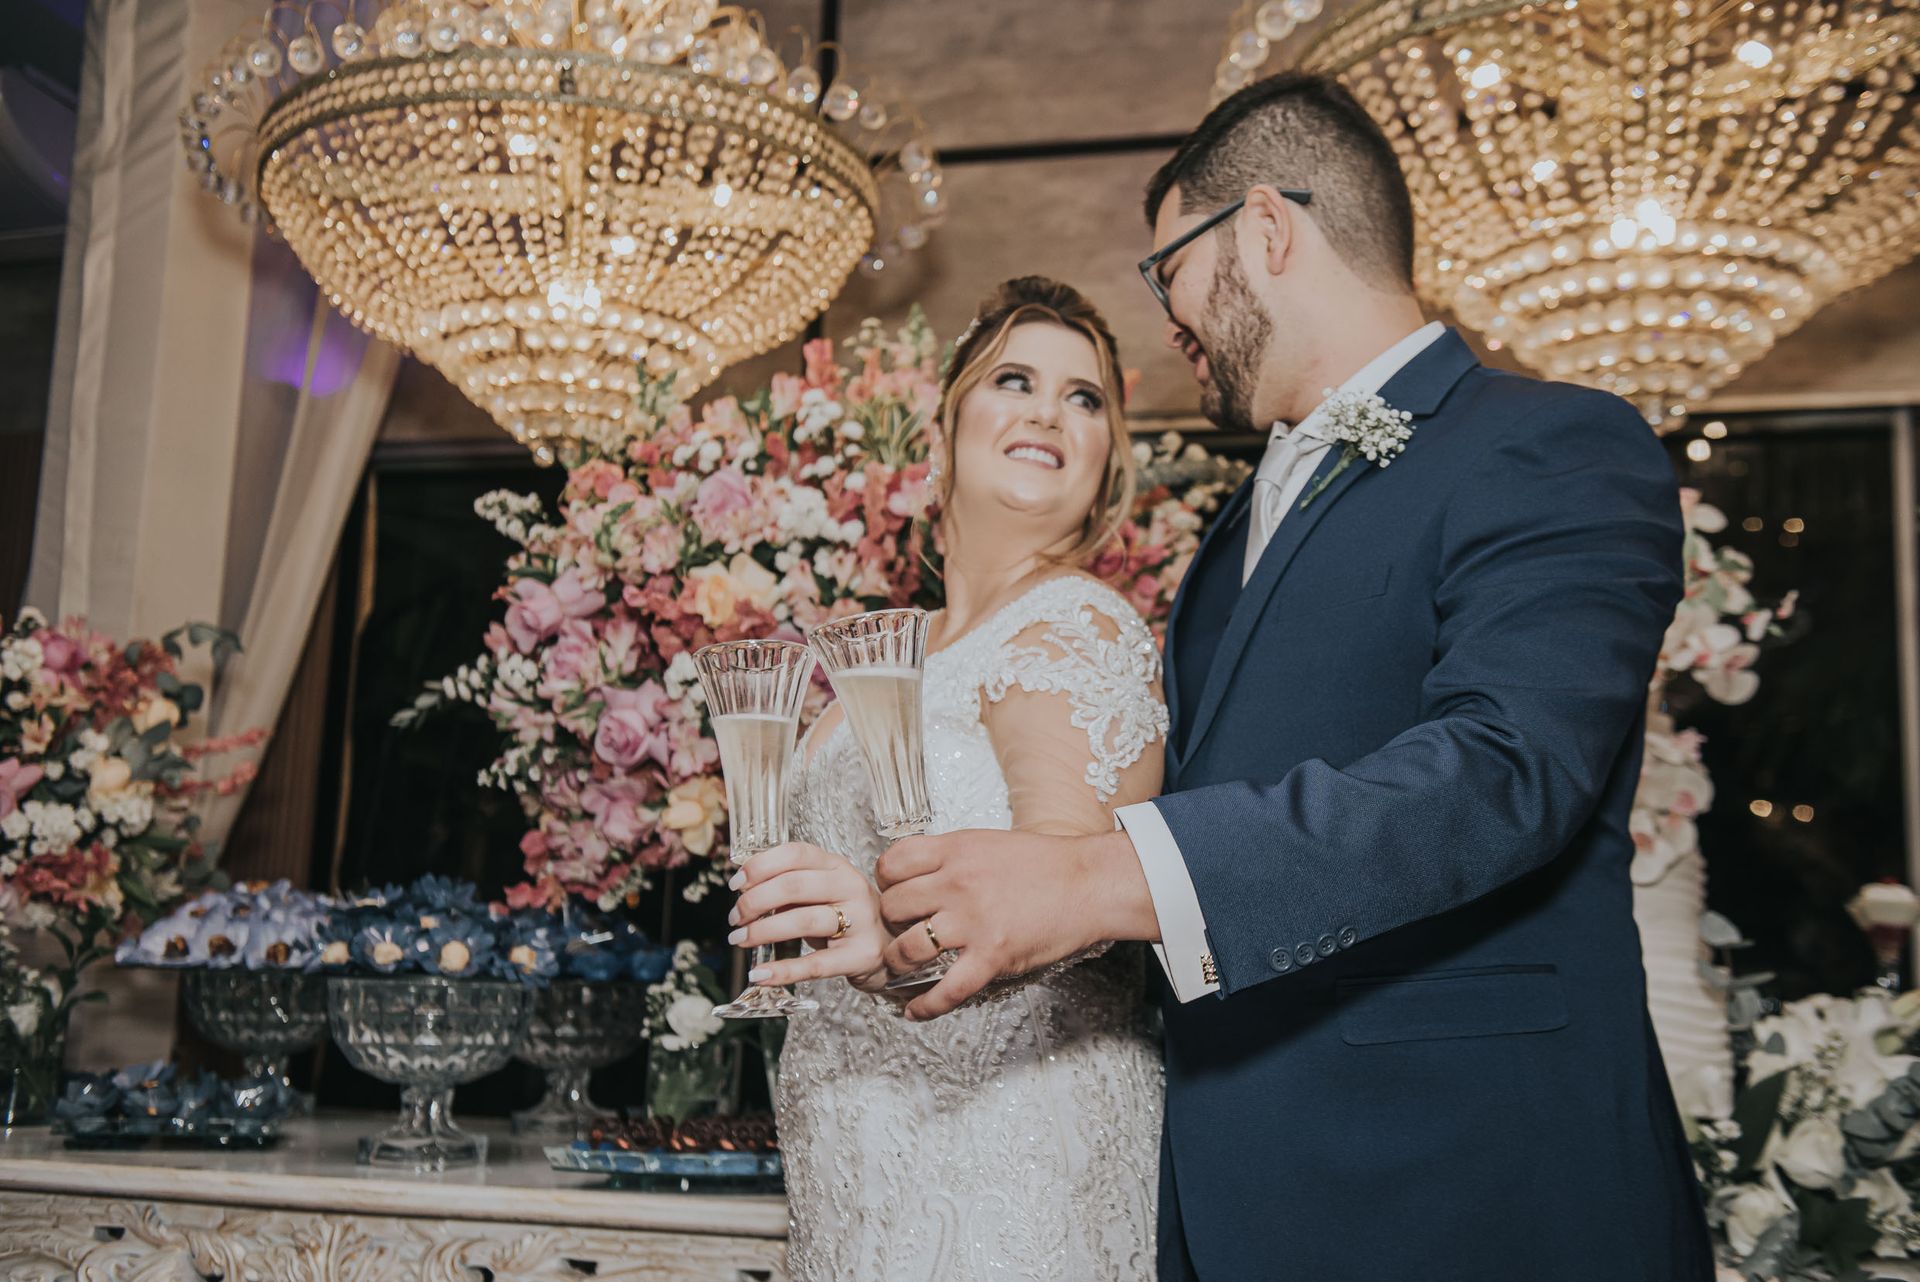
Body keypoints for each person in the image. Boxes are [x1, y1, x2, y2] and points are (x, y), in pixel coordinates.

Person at [869, 74, 1716, 1280]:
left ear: (1264, 231)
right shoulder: (1221, 545)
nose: (1167, 323)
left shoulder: (1555, 444)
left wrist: (1102, 877)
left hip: (1477, 1194)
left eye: (1170, 273)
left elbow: (1505, 773)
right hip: (1232, 1202)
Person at [728, 276, 1168, 1281]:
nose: (1049, 410)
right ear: (945, 429)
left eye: (1085, 397)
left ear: (1105, 469)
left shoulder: (1076, 624)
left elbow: (1065, 895)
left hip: (1004, 1163)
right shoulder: (898, 648)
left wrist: (887, 948)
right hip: (856, 1157)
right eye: (1015, 378)